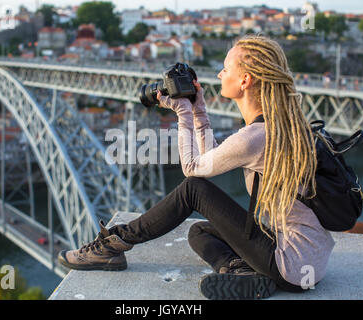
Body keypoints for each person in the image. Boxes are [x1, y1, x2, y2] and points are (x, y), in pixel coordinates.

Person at [58, 35, 335, 300]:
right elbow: (211, 158)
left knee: (194, 189)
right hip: (310, 258)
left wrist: (182, 113)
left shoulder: (254, 138)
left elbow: (192, 170)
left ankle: (112, 244)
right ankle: (242, 272)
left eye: (225, 69)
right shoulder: (278, 126)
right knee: (199, 232)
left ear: (245, 80)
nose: (219, 75)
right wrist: (198, 110)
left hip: (290, 265)